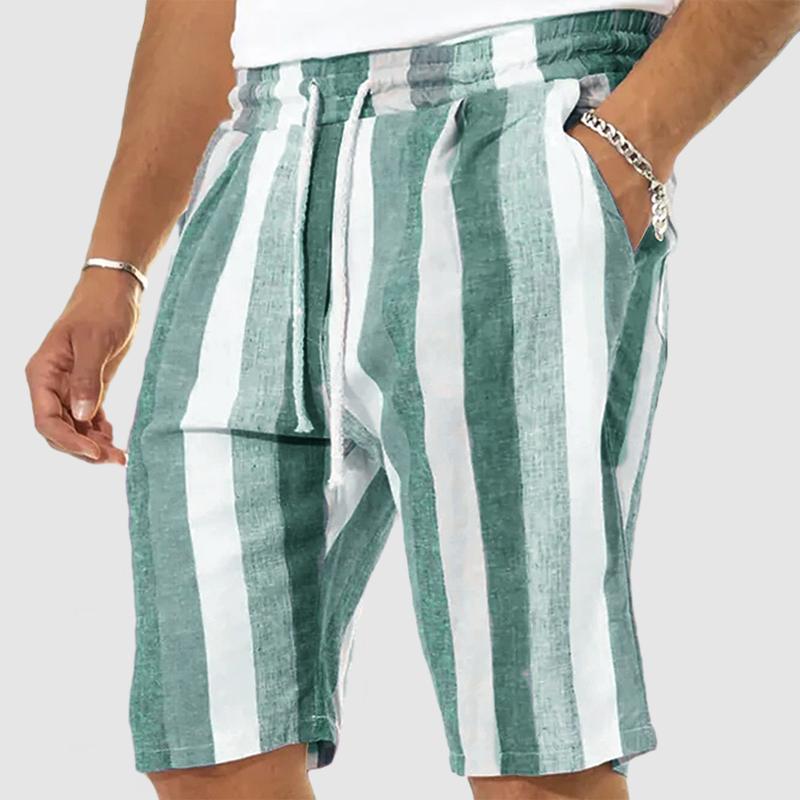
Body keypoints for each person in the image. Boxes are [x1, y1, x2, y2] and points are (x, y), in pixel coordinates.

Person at [24, 1, 799, 798]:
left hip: (516, 111)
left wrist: (629, 147)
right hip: (260, 144)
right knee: (207, 742)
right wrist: (113, 265)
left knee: (534, 747)